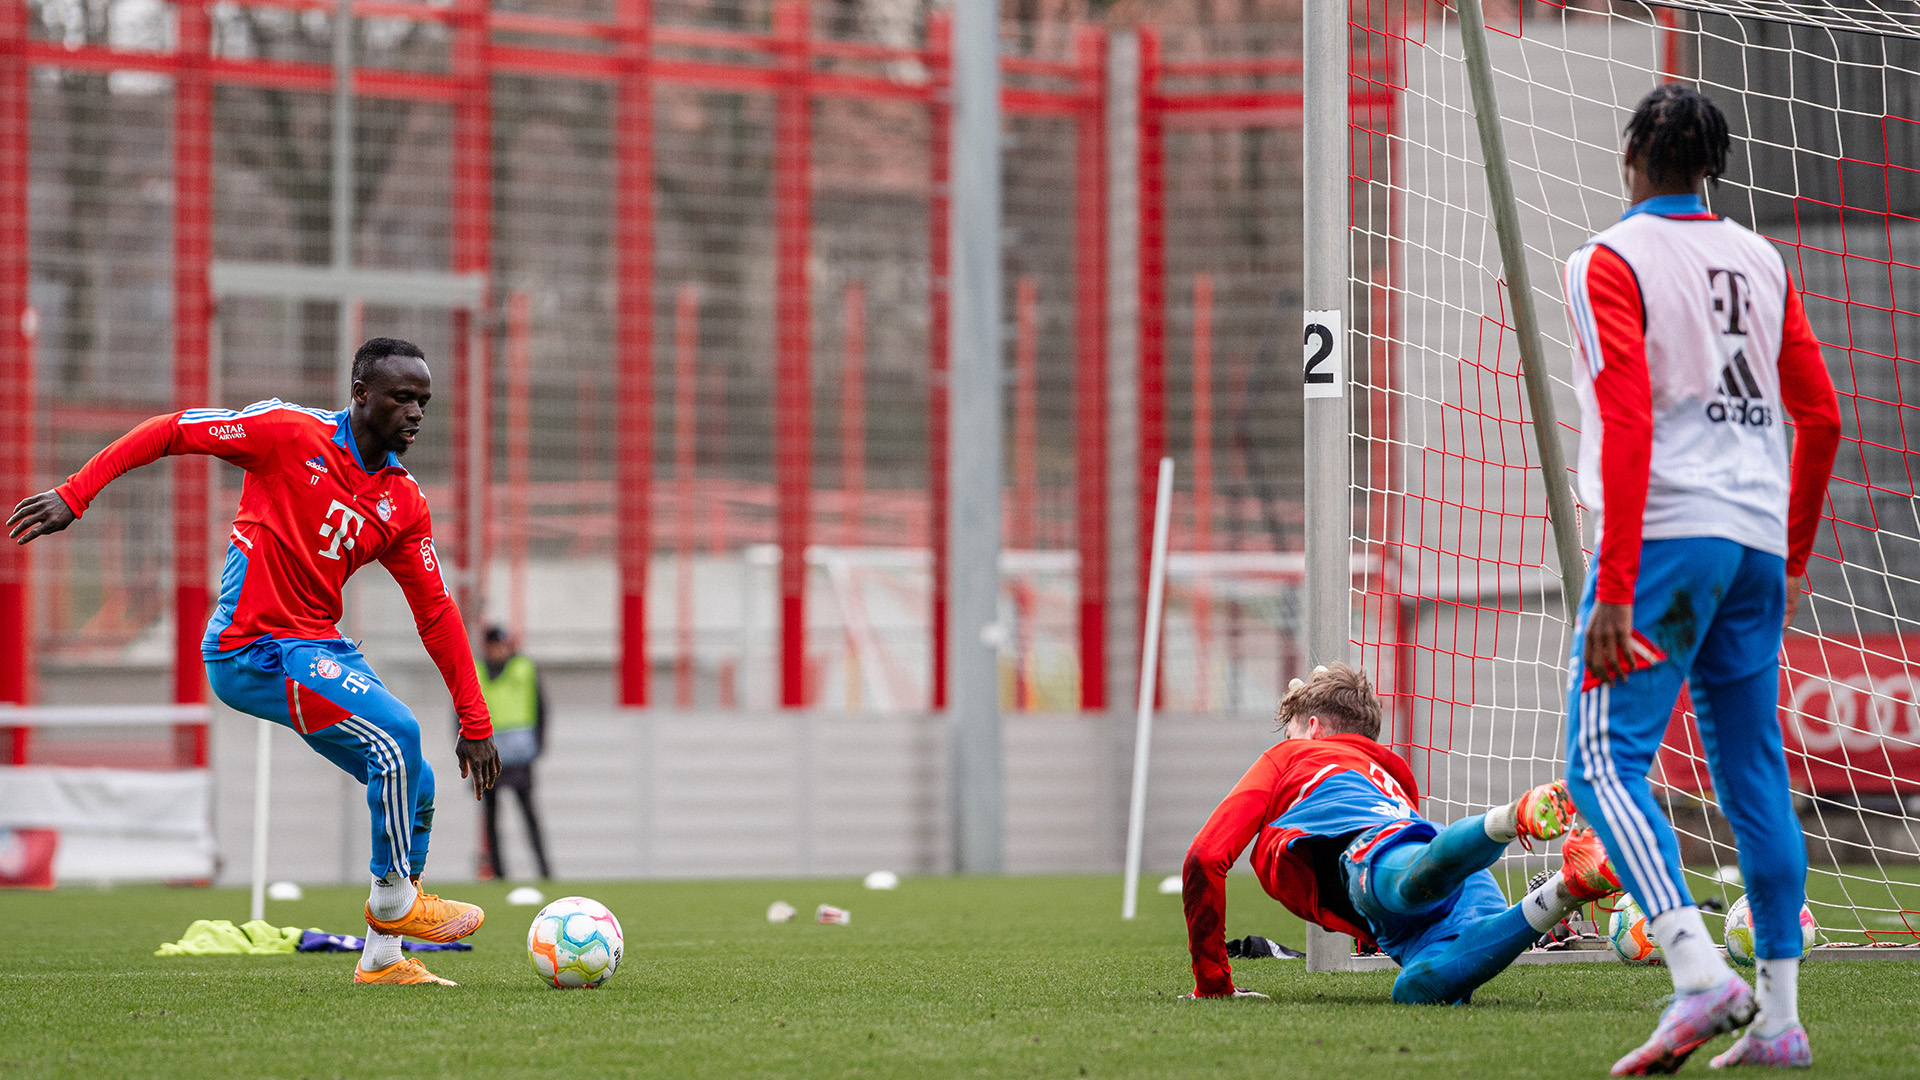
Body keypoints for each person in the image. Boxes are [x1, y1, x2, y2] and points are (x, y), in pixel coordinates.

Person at [7, 337, 501, 987]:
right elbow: (171, 431)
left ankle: (382, 958)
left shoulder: (400, 504)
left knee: (415, 779)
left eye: (424, 402)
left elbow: (435, 612)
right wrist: (75, 494)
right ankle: (395, 902)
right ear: (361, 396)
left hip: (317, 645)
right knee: (399, 735)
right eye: (401, 398)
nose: (415, 413)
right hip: (250, 649)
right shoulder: (286, 435)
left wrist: (476, 719)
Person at [1559, 84, 1842, 1073]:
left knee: (1600, 759)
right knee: (1754, 767)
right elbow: (1824, 415)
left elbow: (1630, 419)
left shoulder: (1608, 257)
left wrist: (1621, 586)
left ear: (1632, 151)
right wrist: (1794, 552)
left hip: (1668, 538)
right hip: (1757, 542)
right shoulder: (1763, 258)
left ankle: (1694, 971)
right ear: (1713, 165)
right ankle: (1779, 1018)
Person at [1181, 663, 1621, 1006]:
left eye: (1291, 730)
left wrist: (1214, 984)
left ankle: (1513, 817)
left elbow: (1205, 857)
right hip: (1447, 877)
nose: (1287, 739)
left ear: (1312, 730)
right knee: (1417, 990)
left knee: (1396, 888)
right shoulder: (1390, 777)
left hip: (1394, 868)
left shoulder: (1292, 756)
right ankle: (1569, 887)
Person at [476, 625, 552, 881]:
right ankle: (499, 874)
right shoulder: (475, 670)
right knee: (491, 819)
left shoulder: (524, 667)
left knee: (529, 815)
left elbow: (541, 707)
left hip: (520, 756)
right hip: (488, 756)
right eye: (493, 644)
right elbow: (460, 711)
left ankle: (544, 872)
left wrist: (538, 744)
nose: (498, 649)